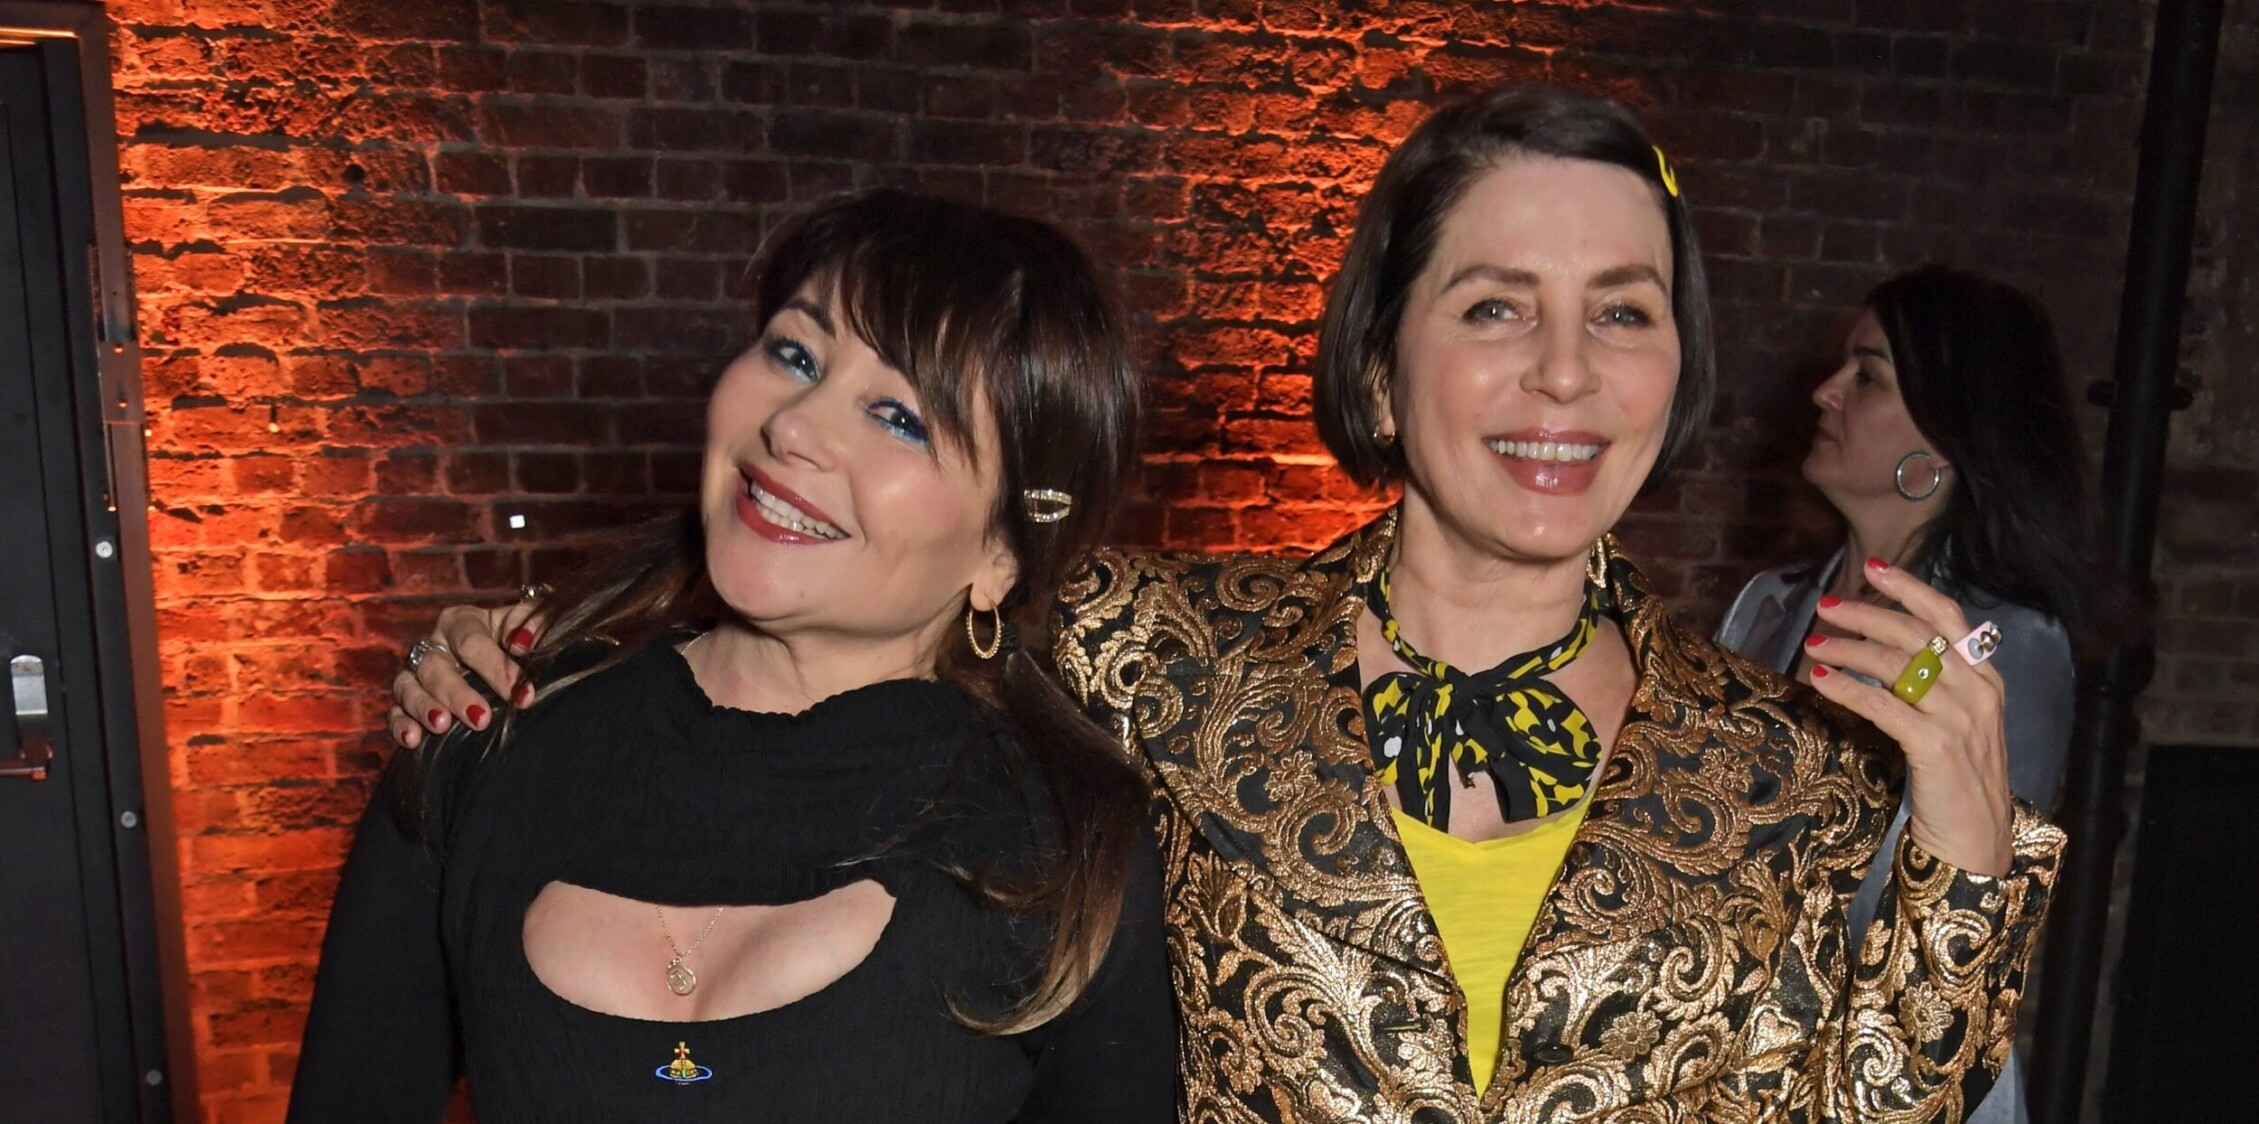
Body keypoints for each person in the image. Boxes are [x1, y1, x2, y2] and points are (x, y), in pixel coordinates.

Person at [392, 88, 2062, 1121]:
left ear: (1673, 370)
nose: (1563, 373)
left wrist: (1967, 864)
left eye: (1620, 313)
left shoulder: (1790, 751)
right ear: (1383, 363)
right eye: (1494, 305)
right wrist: (541, 652)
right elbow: (859, 567)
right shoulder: (1154, 649)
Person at [290, 190, 1176, 1123]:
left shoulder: (1065, 853)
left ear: (1001, 553)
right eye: (795, 354)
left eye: (900, 416)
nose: (794, 425)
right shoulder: (481, 735)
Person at [1716, 265, 2106, 1124]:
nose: (1824, 392)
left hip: (1894, 1070)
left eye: (1867, 376)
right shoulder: (1764, 607)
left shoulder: (1994, 646)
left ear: (1942, 443)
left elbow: (1967, 906)